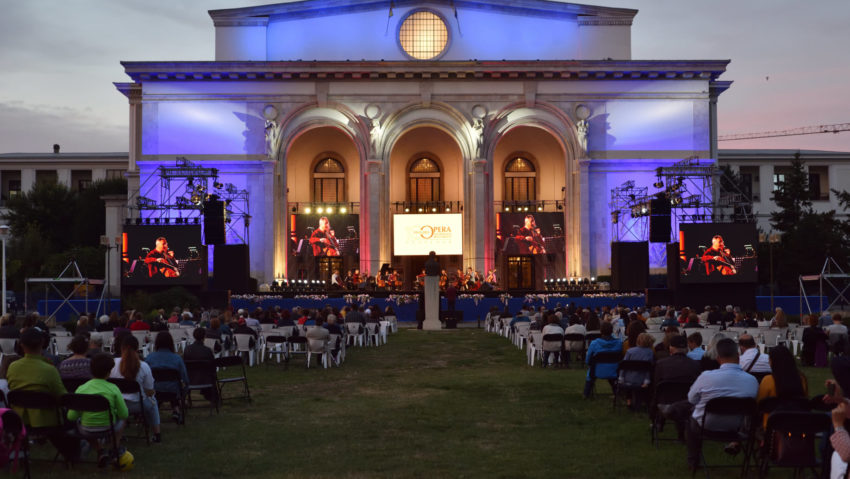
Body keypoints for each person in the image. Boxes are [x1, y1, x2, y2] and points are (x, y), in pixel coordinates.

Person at [686, 338, 759, 471]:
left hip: (706, 426)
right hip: (736, 426)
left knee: (690, 416)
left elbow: (691, 399)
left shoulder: (706, 376)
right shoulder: (752, 381)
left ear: (718, 358)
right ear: (738, 356)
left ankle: (693, 461)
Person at [6, 328, 78, 460]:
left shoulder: (13, 367)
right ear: (42, 344)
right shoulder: (49, 369)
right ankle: (73, 453)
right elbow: (62, 396)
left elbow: (12, 388)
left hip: (20, 419)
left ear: (22, 345)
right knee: (73, 419)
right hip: (47, 420)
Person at [67, 352, 128, 467]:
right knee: (122, 420)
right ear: (109, 372)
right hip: (108, 427)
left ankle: (100, 450)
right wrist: (114, 412)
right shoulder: (113, 388)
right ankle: (114, 447)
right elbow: (124, 414)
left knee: (83, 425)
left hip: (86, 429)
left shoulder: (81, 389)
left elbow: (71, 416)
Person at [111, 335, 161, 443]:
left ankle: (119, 434)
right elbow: (149, 390)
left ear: (121, 348)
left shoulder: (113, 364)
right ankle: (157, 433)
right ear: (137, 348)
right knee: (153, 400)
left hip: (117, 405)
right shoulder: (144, 366)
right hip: (138, 405)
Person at [653, 335, 701, 441]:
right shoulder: (695, 365)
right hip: (688, 402)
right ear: (686, 349)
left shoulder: (661, 364)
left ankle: (659, 422)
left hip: (666, 401)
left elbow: (656, 386)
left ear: (671, 348)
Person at [755, 345, 807, 428]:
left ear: (772, 361)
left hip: (771, 425)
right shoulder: (801, 379)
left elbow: (760, 403)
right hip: (797, 423)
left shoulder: (768, 380)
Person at [145, 331, 190, 424]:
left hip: (155, 390)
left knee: (163, 387)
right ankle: (176, 409)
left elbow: (145, 376)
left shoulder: (150, 358)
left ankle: (157, 410)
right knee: (173, 386)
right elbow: (185, 378)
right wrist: (185, 391)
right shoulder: (177, 358)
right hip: (173, 391)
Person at [583, 322, 623, 398]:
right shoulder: (619, 343)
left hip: (596, 371)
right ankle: (617, 392)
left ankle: (586, 393)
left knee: (590, 375)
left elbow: (588, 359)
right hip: (614, 371)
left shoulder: (594, 343)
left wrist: (589, 364)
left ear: (601, 331)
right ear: (611, 331)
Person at [619, 332, 654, 409]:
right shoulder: (650, 352)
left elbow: (623, 366)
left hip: (628, 379)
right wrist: (646, 381)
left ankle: (629, 401)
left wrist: (621, 378)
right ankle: (642, 401)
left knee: (629, 385)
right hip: (642, 379)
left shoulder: (630, 351)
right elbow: (648, 368)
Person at [183, 328, 218, 403]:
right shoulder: (207, 350)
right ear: (204, 337)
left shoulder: (187, 349)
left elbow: (184, 366)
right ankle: (212, 397)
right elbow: (213, 367)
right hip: (206, 379)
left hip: (191, 379)